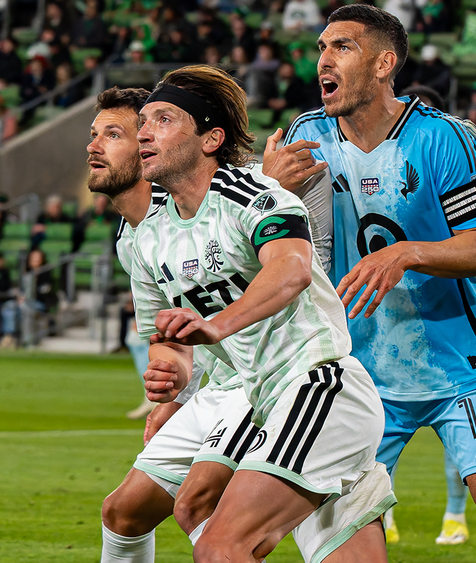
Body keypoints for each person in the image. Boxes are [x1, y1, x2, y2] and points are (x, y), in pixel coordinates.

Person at [267, 6, 476, 561]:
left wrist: (406, 253)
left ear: (384, 63)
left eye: (341, 46)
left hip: (454, 364)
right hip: (353, 370)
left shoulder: (441, 139)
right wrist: (271, 190)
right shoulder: (306, 137)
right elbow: (288, 245)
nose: (323, 59)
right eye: (321, 47)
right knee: (341, 537)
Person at [130, 65, 392, 563]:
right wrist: (174, 374)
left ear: (211, 138)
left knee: (221, 545)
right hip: (260, 396)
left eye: (163, 119)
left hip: (317, 384)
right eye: (144, 120)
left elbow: (290, 270)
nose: (145, 132)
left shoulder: (255, 194)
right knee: (197, 507)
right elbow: (177, 332)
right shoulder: (152, 234)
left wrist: (217, 324)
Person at [87, 86, 258, 563]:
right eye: (94, 134)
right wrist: (175, 389)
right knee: (124, 513)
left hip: (273, 377)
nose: (94, 146)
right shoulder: (132, 240)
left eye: (113, 134)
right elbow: (168, 333)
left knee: (202, 510)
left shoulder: (215, 198)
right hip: (221, 385)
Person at [0, 248, 56, 349]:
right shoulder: (25, 273)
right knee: (10, 307)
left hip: (38, 303)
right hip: (24, 302)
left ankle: (27, 339)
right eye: (34, 258)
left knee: (25, 308)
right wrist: (20, 297)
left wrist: (28, 297)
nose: (36, 260)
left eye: (38, 258)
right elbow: (20, 290)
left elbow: (45, 292)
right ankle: (10, 335)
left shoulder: (46, 273)